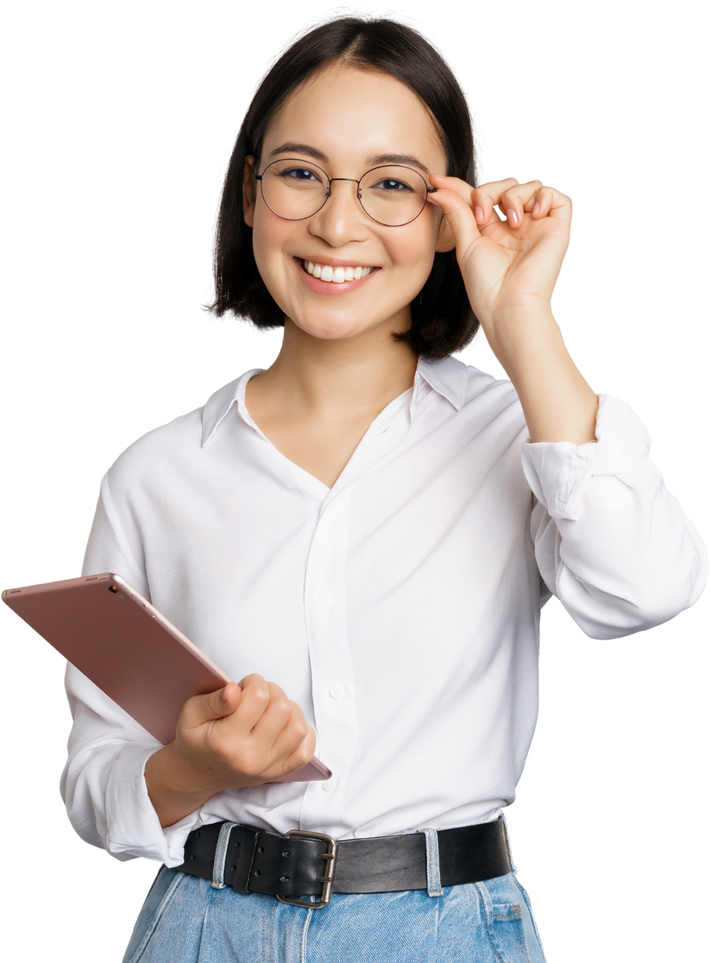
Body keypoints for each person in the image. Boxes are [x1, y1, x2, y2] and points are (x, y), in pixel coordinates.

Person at [58, 9, 709, 962]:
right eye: (299, 173)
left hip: (446, 931)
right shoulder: (155, 476)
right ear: (250, 194)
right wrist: (191, 767)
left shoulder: (522, 424)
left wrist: (520, 316)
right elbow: (93, 780)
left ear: (451, 214)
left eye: (392, 185)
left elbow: (643, 588)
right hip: (202, 927)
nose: (335, 221)